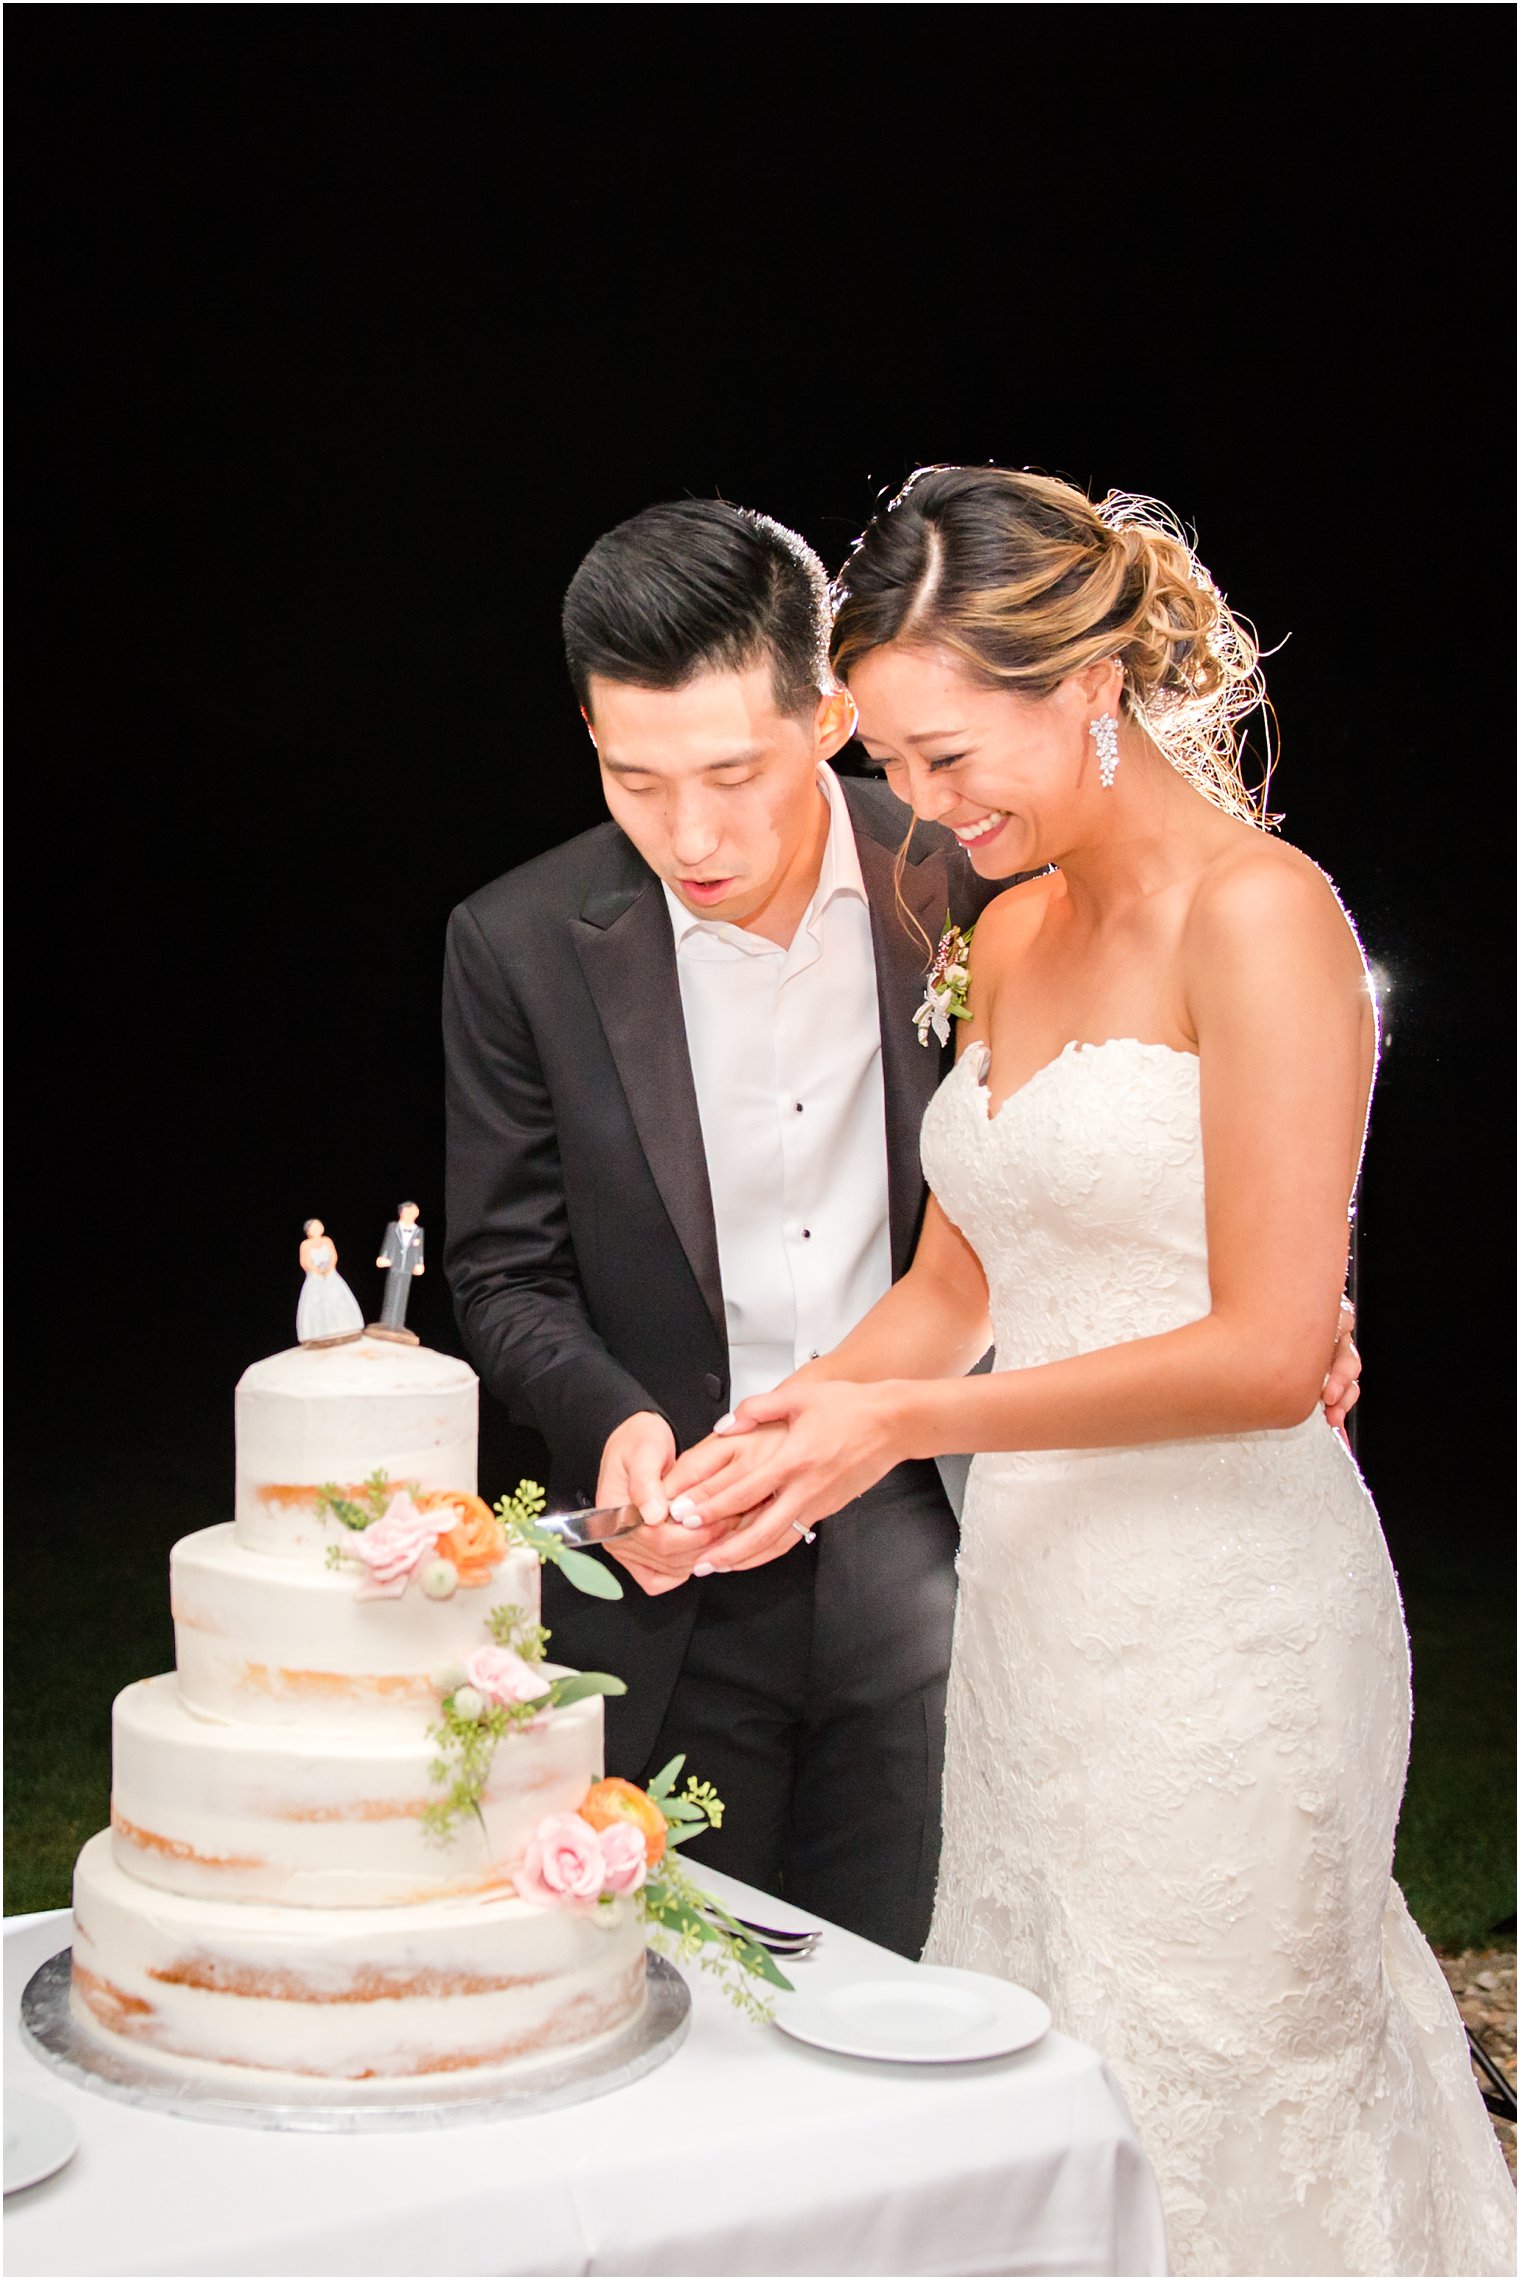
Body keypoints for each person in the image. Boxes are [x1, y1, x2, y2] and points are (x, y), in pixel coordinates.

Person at [662, 468, 1513, 2274]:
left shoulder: (1263, 917)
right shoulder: (1012, 924)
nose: (926, 804)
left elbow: (1276, 1352)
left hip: (1236, 1628)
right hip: (1044, 1614)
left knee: (1232, 2084)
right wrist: (808, 1421)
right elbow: (961, 1278)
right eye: (890, 762)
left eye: (954, 752)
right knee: (1045, 2062)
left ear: (1091, 687)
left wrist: (914, 1421)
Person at [442, 499, 1361, 1960]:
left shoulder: (966, 873)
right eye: (639, 780)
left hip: (1032, 1557)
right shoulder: (1002, 913)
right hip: (802, 1552)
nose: (696, 834)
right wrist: (763, 1439)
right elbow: (976, 1253)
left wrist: (1287, 1282)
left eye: (741, 773)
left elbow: (1228, 1207)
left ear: (821, 722)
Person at [295, 1216, 364, 1347]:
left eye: (319, 1226)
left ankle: (342, 1327)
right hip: (315, 1275)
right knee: (316, 1301)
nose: (317, 1229)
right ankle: (318, 1332)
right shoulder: (305, 1244)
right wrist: (315, 1270)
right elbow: (304, 1261)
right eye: (314, 1227)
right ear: (308, 1231)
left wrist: (330, 1267)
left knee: (337, 1298)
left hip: (330, 1273)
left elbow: (333, 1255)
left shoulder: (327, 1241)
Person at [372, 1200, 425, 1341]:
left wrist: (419, 1263)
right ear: (402, 1213)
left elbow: (419, 1251)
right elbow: (388, 1243)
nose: (410, 1216)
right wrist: (383, 1257)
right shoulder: (393, 1227)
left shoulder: (418, 1231)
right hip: (394, 1264)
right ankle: (387, 1321)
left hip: (407, 1266)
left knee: (403, 1294)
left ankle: (398, 1323)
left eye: (413, 1213)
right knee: (391, 1292)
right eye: (408, 1213)